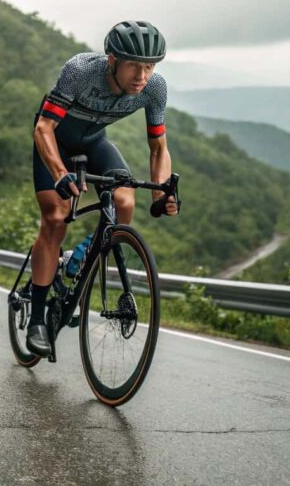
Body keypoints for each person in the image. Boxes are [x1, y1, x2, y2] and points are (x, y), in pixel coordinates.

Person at [27, 20, 179, 356]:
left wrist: (162, 194)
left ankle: (82, 254)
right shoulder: (81, 70)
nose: (142, 76)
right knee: (56, 217)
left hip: (95, 142)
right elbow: (43, 128)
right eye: (134, 66)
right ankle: (37, 318)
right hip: (56, 144)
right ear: (112, 60)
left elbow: (158, 148)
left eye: (149, 67)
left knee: (125, 201)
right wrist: (59, 173)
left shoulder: (155, 89)